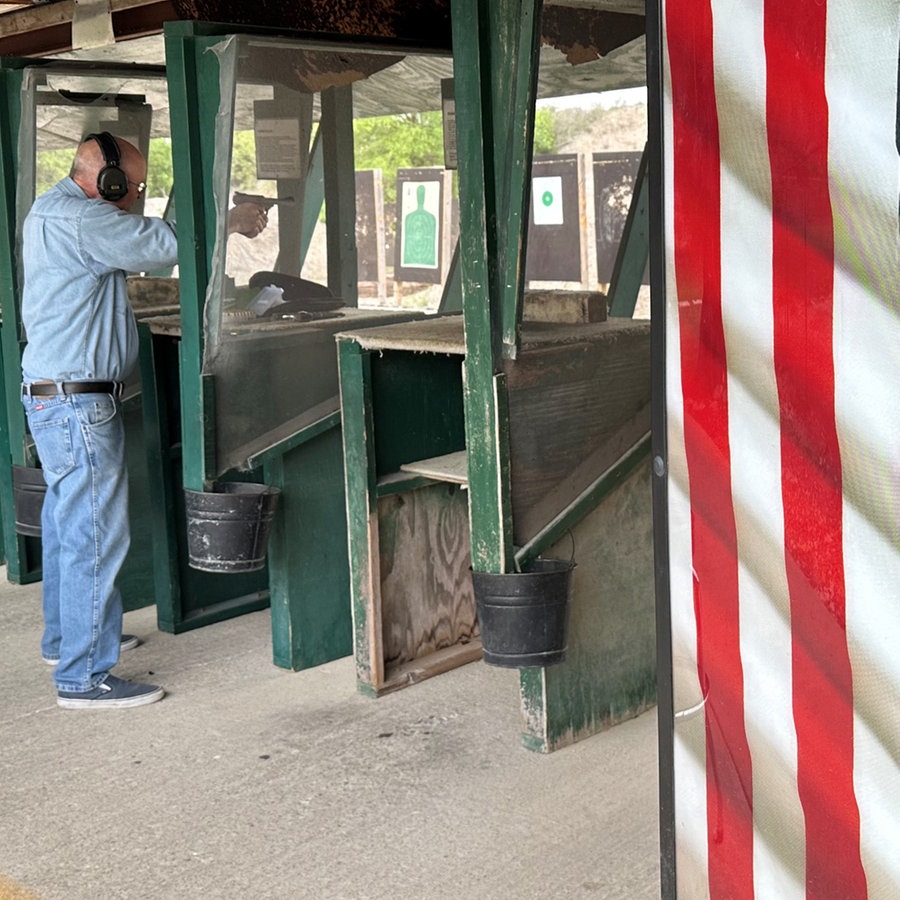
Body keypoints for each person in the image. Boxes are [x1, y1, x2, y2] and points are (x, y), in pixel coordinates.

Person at [20, 132, 267, 709]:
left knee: (67, 522)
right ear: (104, 182)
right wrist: (229, 219)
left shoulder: (53, 208)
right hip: (78, 403)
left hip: (58, 395)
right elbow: (161, 245)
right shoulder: (85, 222)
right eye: (131, 187)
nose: (134, 196)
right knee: (94, 532)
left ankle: (67, 639)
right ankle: (84, 676)